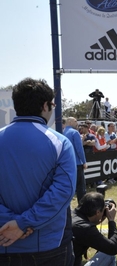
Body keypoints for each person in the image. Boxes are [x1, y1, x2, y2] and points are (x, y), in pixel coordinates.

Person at [0, 78, 76, 265]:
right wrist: (22, 224)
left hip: (4, 239)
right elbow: (63, 192)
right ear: (45, 106)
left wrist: (13, 223)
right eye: (52, 105)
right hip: (49, 246)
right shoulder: (60, 142)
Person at [72, 192, 117, 266]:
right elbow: (113, 248)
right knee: (109, 255)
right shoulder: (86, 228)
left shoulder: (70, 215)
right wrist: (111, 220)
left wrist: (96, 220)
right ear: (97, 212)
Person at [64, 117, 88, 203]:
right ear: (69, 122)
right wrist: (84, 161)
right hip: (77, 163)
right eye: (75, 121)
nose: (77, 123)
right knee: (81, 187)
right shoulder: (75, 133)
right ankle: (82, 206)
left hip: (66, 164)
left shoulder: (63, 132)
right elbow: (79, 149)